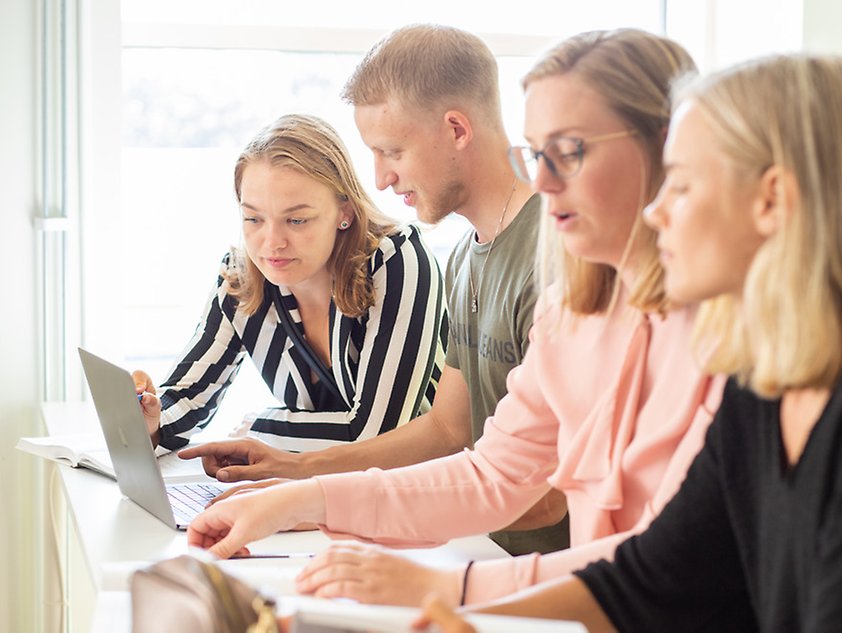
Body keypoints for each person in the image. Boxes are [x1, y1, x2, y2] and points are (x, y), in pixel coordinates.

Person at [186, 28, 727, 609]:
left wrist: (450, 588)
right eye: (538, 154)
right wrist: (295, 498)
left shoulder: (723, 335)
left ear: (667, 150)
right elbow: (490, 472)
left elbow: (659, 558)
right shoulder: (567, 309)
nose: (542, 182)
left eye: (567, 153)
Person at [420, 54, 842, 631]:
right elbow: (647, 580)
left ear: (771, 200)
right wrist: (456, 615)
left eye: (683, 185)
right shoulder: (762, 387)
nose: (656, 210)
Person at [178, 24, 570, 556]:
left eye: (393, 151)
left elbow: (543, 494)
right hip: (483, 545)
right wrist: (297, 478)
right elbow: (446, 431)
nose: (381, 179)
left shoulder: (557, 255)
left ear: (456, 129)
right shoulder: (464, 257)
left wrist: (313, 498)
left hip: (548, 563)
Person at [134, 113, 447, 453]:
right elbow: (188, 398)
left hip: (424, 488)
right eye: (253, 218)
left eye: (296, 220)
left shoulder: (396, 260)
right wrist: (153, 420)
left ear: (346, 212)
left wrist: (260, 429)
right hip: (317, 489)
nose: (271, 243)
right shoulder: (241, 277)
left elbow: (377, 437)